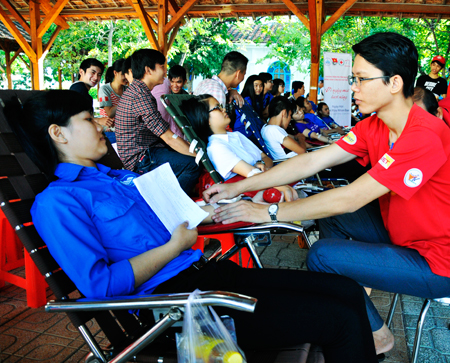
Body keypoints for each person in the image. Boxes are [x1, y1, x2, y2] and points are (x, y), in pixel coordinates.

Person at [5, 90, 378, 363]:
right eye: (89, 119)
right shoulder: (57, 202)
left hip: (207, 276)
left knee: (344, 290)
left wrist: (213, 209)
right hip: (174, 307)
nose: (102, 124)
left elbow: (171, 220)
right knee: (338, 320)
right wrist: (174, 245)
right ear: (59, 133)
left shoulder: (116, 177)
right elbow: (99, 286)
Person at [204, 32, 450, 357]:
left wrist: (266, 213)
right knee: (331, 219)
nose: (353, 88)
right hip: (403, 233)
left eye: (362, 80)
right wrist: (238, 187)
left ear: (394, 83)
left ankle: (375, 333)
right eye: (353, 79)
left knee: (322, 255)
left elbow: (352, 197)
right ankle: (361, 309)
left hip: (438, 260)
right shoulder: (375, 125)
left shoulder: (424, 134)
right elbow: (314, 159)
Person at [115, 49, 199, 194]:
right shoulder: (140, 95)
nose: (166, 72)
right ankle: (171, 206)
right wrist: (199, 156)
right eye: (162, 67)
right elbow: (168, 137)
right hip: (140, 159)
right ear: (148, 70)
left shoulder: (138, 91)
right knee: (193, 164)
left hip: (146, 151)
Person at [70, 58, 112, 128]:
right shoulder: (78, 89)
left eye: (99, 74)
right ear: (81, 72)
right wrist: (98, 120)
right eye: (93, 72)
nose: (96, 77)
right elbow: (76, 118)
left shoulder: (79, 88)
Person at [98, 59, 129, 144]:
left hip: (124, 129)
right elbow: (110, 113)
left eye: (129, 74)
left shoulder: (127, 90)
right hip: (109, 130)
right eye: (124, 74)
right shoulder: (105, 89)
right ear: (115, 73)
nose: (127, 77)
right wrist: (127, 99)